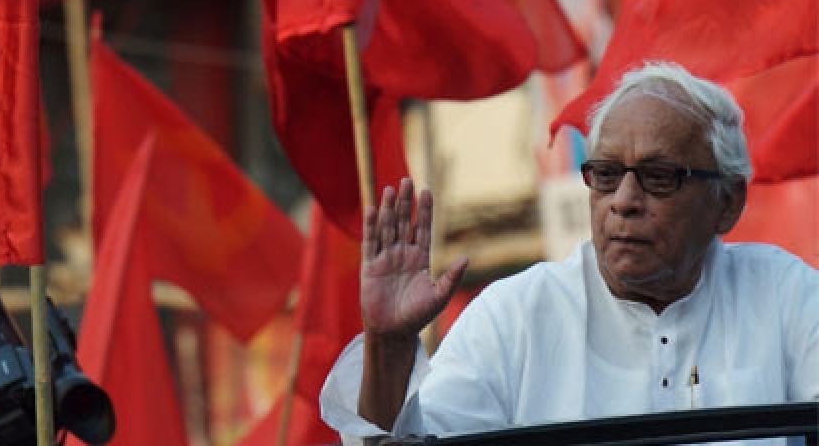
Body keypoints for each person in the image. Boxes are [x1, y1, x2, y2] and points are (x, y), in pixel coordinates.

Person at [320, 62, 819, 444]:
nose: (624, 201)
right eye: (605, 175)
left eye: (659, 178)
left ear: (727, 203)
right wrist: (387, 347)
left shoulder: (785, 295)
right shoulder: (513, 317)